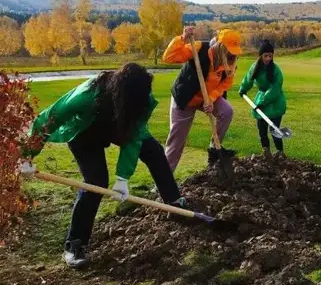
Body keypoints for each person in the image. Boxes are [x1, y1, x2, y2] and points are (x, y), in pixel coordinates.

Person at [17, 63, 186, 268]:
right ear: (123, 94)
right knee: (95, 181)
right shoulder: (86, 96)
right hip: (85, 133)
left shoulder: (141, 99)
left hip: (120, 126)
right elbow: (49, 118)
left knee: (154, 152)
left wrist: (123, 178)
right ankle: (75, 244)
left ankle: (175, 204)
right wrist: (27, 155)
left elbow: (134, 139)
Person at [162, 26, 241, 171]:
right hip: (185, 98)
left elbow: (226, 83)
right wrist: (182, 38)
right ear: (220, 45)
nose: (231, 54)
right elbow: (168, 57)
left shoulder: (231, 61)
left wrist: (210, 99)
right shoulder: (198, 48)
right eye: (229, 49)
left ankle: (214, 147)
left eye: (233, 50)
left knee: (227, 111)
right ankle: (164, 180)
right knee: (177, 141)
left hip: (207, 97)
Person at [238, 39, 287, 157]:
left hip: (275, 102)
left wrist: (263, 101)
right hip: (261, 101)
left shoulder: (276, 70)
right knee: (262, 130)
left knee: (274, 129)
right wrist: (243, 89)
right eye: (266, 56)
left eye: (270, 56)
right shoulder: (255, 67)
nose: (268, 59)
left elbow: (275, 88)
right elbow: (248, 79)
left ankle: (280, 152)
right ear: (260, 55)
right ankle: (266, 151)